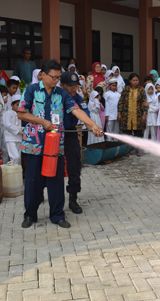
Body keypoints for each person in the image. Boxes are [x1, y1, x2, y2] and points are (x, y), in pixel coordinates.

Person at [18, 59, 103, 229]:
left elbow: (76, 110)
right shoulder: (31, 90)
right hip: (34, 145)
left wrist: (92, 125)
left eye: (58, 77)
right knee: (33, 182)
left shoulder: (62, 94)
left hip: (56, 146)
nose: (57, 81)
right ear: (43, 74)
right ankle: (30, 215)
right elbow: (21, 114)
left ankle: (57, 215)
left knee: (56, 182)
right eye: (54, 77)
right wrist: (42, 121)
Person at [61, 71, 91, 214]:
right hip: (55, 133)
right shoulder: (57, 97)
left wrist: (92, 125)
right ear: (62, 85)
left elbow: (86, 113)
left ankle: (73, 198)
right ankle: (42, 190)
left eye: (76, 86)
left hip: (70, 133)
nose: (73, 89)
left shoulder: (79, 99)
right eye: (70, 86)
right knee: (51, 164)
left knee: (74, 165)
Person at [118, 73, 148, 155]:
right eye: (133, 80)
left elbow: (144, 103)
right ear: (130, 81)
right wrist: (119, 113)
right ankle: (126, 150)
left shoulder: (141, 90)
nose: (135, 82)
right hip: (126, 115)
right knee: (127, 134)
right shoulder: (126, 89)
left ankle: (139, 150)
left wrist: (144, 114)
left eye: (137, 80)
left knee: (138, 133)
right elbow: (121, 101)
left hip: (138, 115)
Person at [2, 95, 23, 165]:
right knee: (15, 157)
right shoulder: (8, 113)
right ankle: (13, 173)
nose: (19, 107)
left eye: (20, 105)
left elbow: (20, 126)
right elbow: (7, 125)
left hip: (18, 138)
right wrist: (18, 132)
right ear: (12, 105)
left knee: (19, 158)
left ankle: (17, 174)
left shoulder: (21, 114)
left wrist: (23, 130)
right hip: (10, 138)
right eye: (17, 105)